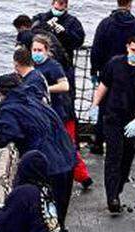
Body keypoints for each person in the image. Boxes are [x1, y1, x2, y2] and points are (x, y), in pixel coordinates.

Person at [0, 73, 78, 226]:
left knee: (45, 217)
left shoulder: (9, 109)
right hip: (68, 159)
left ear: (0, 93)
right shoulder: (35, 98)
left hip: (48, 167)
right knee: (59, 215)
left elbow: (11, 133)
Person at [94, 34, 135, 214]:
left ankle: (119, 186)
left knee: (127, 156)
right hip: (113, 117)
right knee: (113, 156)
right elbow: (104, 85)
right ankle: (112, 197)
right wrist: (94, 104)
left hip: (133, 119)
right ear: (127, 47)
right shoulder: (115, 64)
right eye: (133, 50)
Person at [32, 35, 93, 190]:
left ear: (46, 51)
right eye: (34, 50)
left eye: (40, 50)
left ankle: (83, 177)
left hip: (61, 113)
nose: (37, 53)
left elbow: (65, 86)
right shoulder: (33, 67)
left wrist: (45, 89)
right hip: (46, 113)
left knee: (68, 145)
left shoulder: (53, 66)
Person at [89, 0, 135, 155]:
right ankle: (127, 142)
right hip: (131, 71)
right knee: (130, 106)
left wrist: (94, 70)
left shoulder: (105, 24)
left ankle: (98, 143)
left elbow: (97, 49)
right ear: (130, 3)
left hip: (108, 71)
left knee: (104, 108)